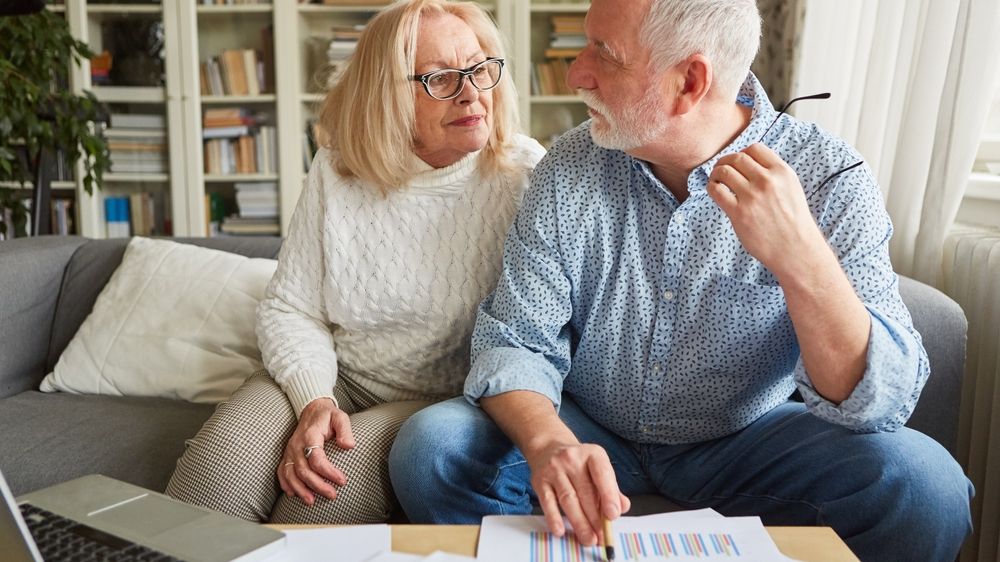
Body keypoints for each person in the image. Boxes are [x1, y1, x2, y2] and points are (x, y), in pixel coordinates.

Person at [388, 0, 973, 560]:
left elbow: (880, 403)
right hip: (591, 429)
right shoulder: (568, 168)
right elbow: (516, 341)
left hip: (751, 439)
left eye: (603, 53)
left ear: (689, 81)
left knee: (926, 489)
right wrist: (548, 443)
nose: (576, 74)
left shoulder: (829, 177)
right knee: (434, 450)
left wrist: (802, 261)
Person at [165, 0, 544, 525]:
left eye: (479, 68)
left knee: (315, 499)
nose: (472, 92)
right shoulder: (338, 169)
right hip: (340, 376)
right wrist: (314, 400)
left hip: (441, 403)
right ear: (386, 95)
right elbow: (291, 308)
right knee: (214, 476)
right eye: (439, 78)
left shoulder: (526, 174)